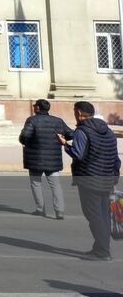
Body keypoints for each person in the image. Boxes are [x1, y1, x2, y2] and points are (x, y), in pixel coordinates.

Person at [61, 101, 121, 261]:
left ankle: (102, 251)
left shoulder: (82, 131)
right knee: (103, 214)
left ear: (79, 113)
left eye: (75, 112)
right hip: (107, 178)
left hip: (89, 179)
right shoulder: (107, 131)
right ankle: (100, 247)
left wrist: (65, 144)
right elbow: (116, 158)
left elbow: (78, 154)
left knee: (94, 215)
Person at [18, 99, 69, 219]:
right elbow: (70, 133)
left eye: (35, 106)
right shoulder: (58, 121)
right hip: (53, 159)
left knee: (36, 183)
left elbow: (25, 136)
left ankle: (40, 209)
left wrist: (27, 143)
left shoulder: (32, 120)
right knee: (55, 185)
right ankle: (59, 210)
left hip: (35, 158)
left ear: (38, 108)